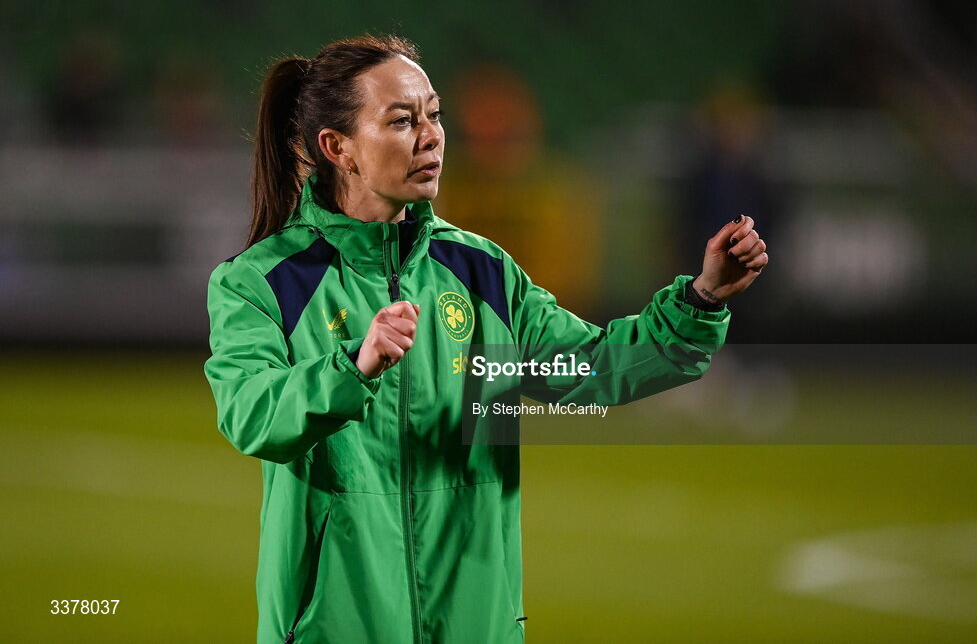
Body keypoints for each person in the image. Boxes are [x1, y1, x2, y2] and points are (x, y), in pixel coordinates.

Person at [204, 35, 768, 644]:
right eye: (401, 120)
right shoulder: (261, 282)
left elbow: (593, 369)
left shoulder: (483, 274)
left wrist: (701, 300)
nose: (431, 137)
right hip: (335, 628)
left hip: (479, 626)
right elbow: (251, 414)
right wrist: (353, 367)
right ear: (338, 147)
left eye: (434, 115)